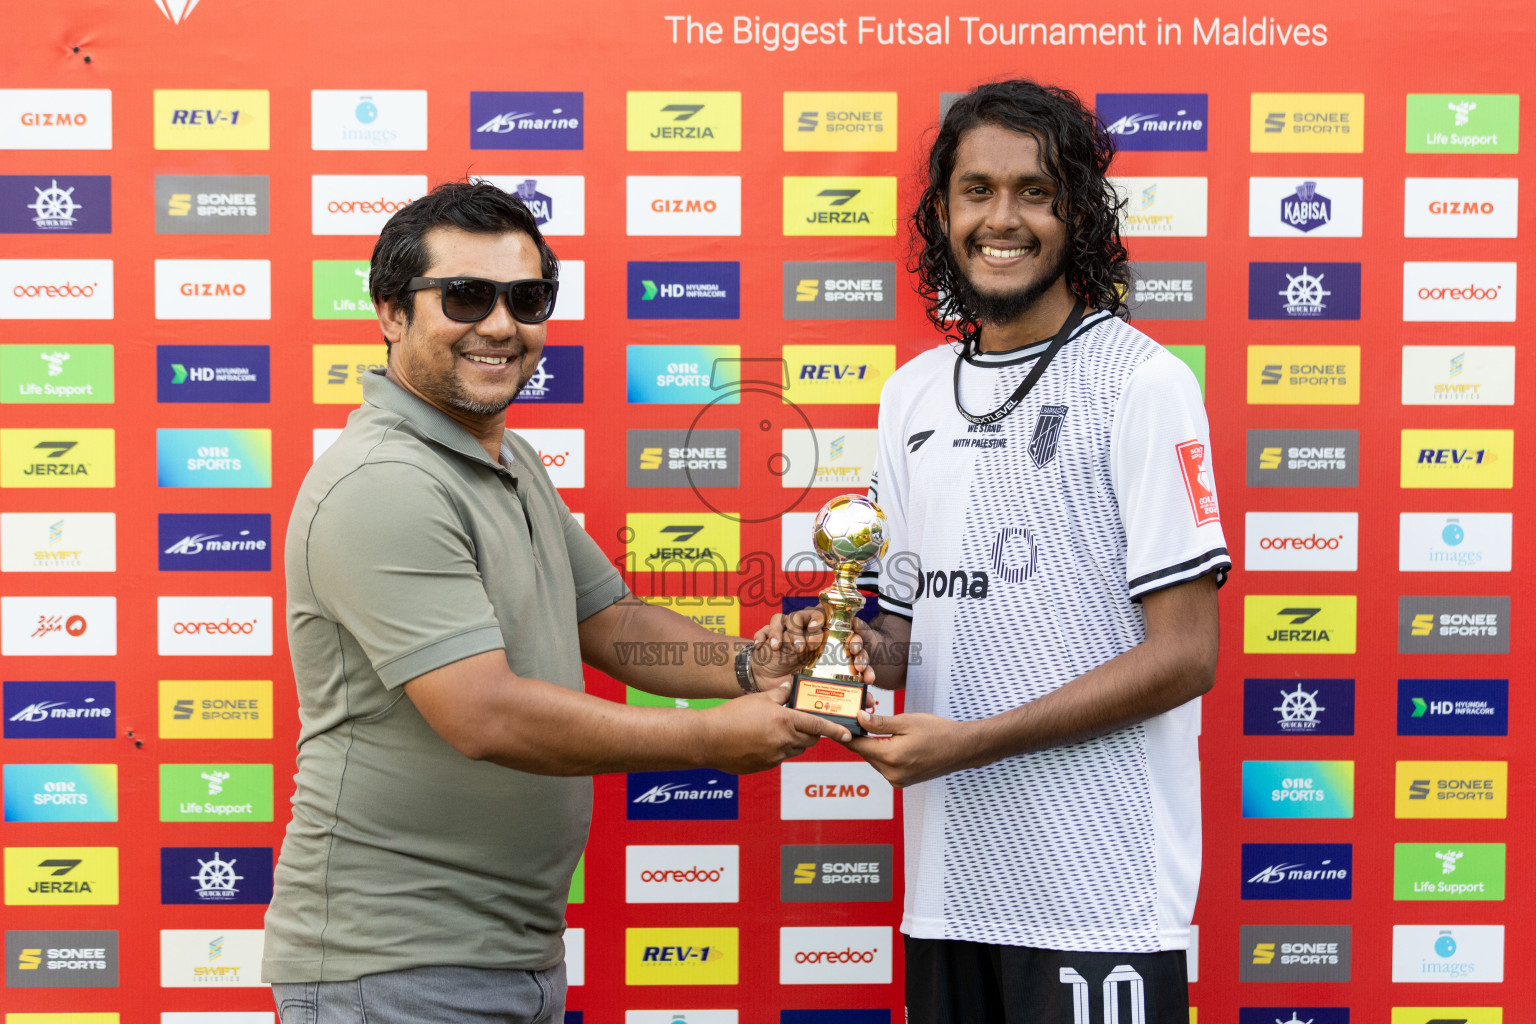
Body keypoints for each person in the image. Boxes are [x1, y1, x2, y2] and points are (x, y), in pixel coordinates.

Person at [262, 181, 857, 1024]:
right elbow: (486, 716)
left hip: (506, 955)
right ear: (392, 311)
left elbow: (608, 621)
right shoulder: (385, 484)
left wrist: (747, 667)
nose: (502, 325)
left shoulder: (506, 459)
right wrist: (708, 737)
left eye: (528, 297)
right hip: (395, 966)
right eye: (465, 296)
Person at [768, 80, 1229, 1023]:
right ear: (942, 212)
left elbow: (1187, 654)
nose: (1003, 218)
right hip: (948, 893)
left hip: (1099, 897)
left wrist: (971, 744)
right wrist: (833, 649)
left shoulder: (1143, 383)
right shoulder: (914, 393)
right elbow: (902, 634)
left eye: (1036, 190)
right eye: (977, 190)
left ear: (1079, 213)